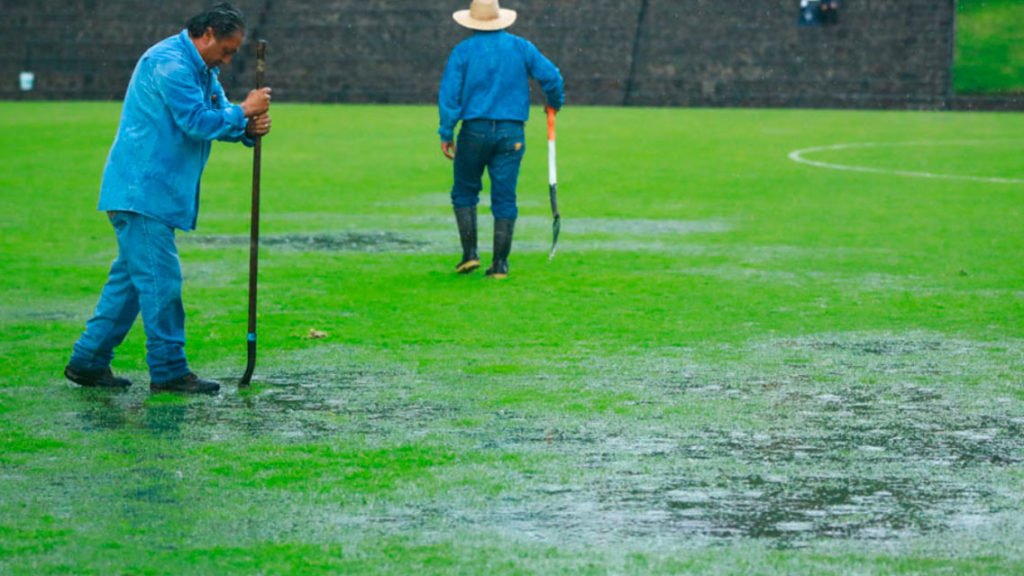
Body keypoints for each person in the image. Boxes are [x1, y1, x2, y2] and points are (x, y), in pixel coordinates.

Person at [64, 2, 272, 394]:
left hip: (150, 193)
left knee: (128, 285)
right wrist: (245, 110)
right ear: (207, 33)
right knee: (162, 283)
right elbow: (195, 121)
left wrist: (246, 125)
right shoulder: (169, 63)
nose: (227, 59)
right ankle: (169, 369)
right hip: (141, 192)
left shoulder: (202, 69)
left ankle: (88, 360)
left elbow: (217, 115)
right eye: (226, 49)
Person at [438, 0, 565, 279]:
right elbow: (552, 77)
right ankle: (500, 265)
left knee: (464, 192)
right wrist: (554, 103)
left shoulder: (463, 52)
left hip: (474, 131)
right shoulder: (521, 47)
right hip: (512, 134)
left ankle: (469, 254)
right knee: (504, 196)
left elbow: (450, 96)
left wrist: (446, 133)